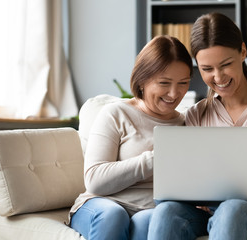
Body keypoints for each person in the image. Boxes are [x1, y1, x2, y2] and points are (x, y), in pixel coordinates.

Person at [147, 12, 247, 240]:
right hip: (212, 209)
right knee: (166, 211)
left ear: (243, 51)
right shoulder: (197, 113)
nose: (218, 77)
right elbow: (192, 178)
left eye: (226, 64)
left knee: (232, 208)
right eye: (207, 69)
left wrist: (222, 193)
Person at [68, 35, 193, 240]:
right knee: (113, 215)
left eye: (183, 83)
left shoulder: (188, 122)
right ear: (142, 80)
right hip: (102, 204)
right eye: (164, 83)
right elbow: (95, 180)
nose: (174, 93)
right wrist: (154, 159)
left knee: (150, 222)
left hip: (150, 210)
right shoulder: (116, 113)